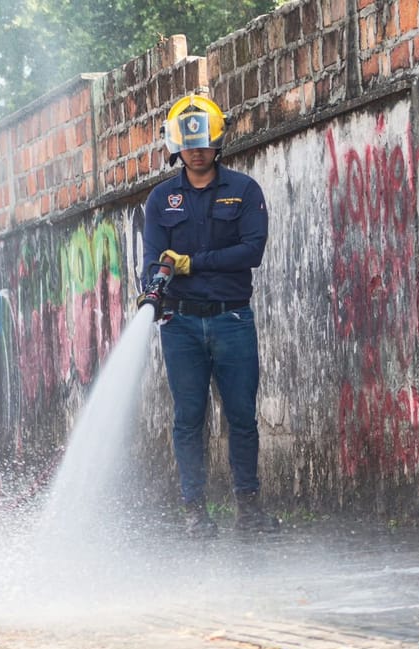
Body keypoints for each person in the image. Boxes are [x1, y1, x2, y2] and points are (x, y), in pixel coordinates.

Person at [141, 93, 278, 537]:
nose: (196, 151)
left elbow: (251, 252)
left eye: (203, 143)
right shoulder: (161, 200)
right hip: (179, 324)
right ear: (175, 147)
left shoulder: (243, 191)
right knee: (188, 417)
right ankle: (195, 513)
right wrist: (154, 286)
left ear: (218, 142)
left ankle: (249, 508)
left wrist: (192, 262)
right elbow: (152, 261)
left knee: (241, 415)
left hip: (232, 319)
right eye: (188, 143)